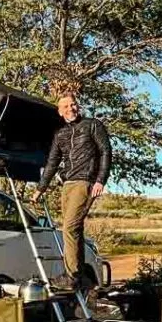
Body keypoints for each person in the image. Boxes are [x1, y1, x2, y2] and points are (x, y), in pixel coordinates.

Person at [30, 91, 111, 290]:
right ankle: (81, 276)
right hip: (67, 185)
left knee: (69, 227)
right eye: (65, 106)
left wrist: (100, 180)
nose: (70, 109)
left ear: (78, 106)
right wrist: (40, 189)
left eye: (73, 104)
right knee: (75, 229)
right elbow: (52, 162)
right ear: (60, 111)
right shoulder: (60, 134)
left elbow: (105, 151)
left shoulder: (92, 125)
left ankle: (71, 275)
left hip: (85, 181)